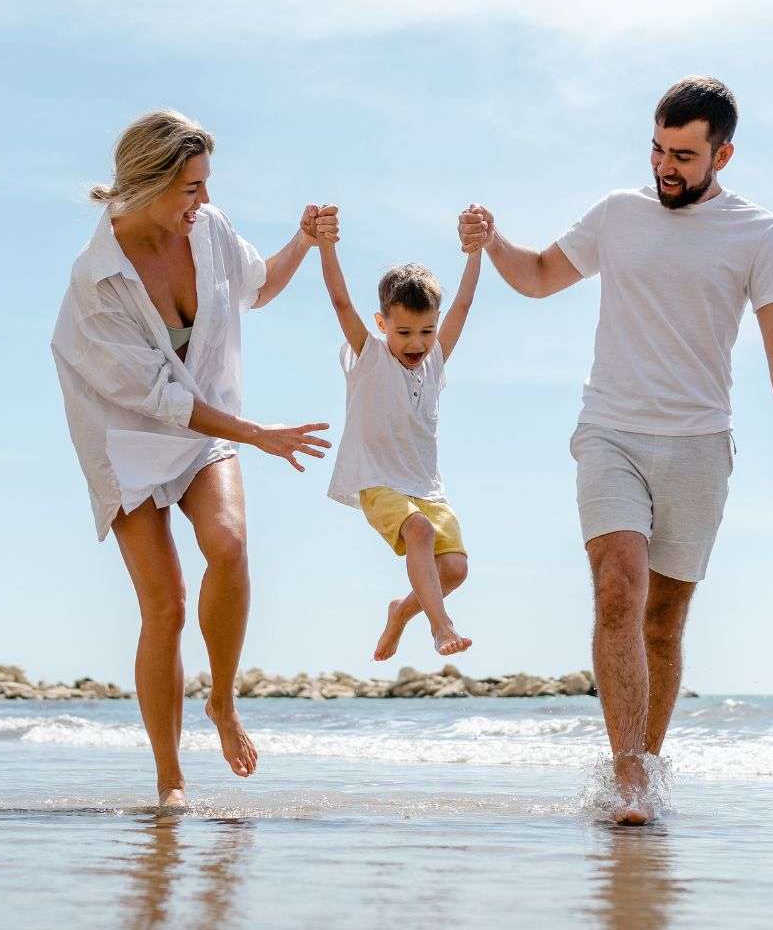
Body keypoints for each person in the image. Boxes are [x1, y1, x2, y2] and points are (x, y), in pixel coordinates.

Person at [457, 76, 773, 824]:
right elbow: (540, 276)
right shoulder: (618, 214)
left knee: (665, 620)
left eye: (684, 154)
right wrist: (494, 242)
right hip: (611, 430)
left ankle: (647, 770)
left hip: (698, 444)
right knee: (620, 586)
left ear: (724, 153)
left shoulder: (759, 232)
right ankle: (626, 779)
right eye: (658, 148)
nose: (666, 166)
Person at [51, 109, 337, 808]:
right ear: (148, 185)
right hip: (123, 432)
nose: (203, 200)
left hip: (207, 415)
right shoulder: (97, 282)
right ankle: (170, 779)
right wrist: (256, 432)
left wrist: (302, 241)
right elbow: (154, 399)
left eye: (205, 184)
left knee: (229, 544)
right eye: (189, 188)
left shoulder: (206, 229)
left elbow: (257, 286)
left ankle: (225, 703)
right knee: (166, 607)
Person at [314, 213, 483, 659]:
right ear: (382, 323)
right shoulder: (369, 356)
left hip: (427, 486)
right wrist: (325, 244)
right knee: (419, 531)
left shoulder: (435, 363)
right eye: (404, 331)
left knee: (455, 569)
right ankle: (440, 625)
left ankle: (399, 614)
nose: (416, 343)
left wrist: (476, 252)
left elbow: (463, 305)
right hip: (377, 480)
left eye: (426, 331)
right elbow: (339, 302)